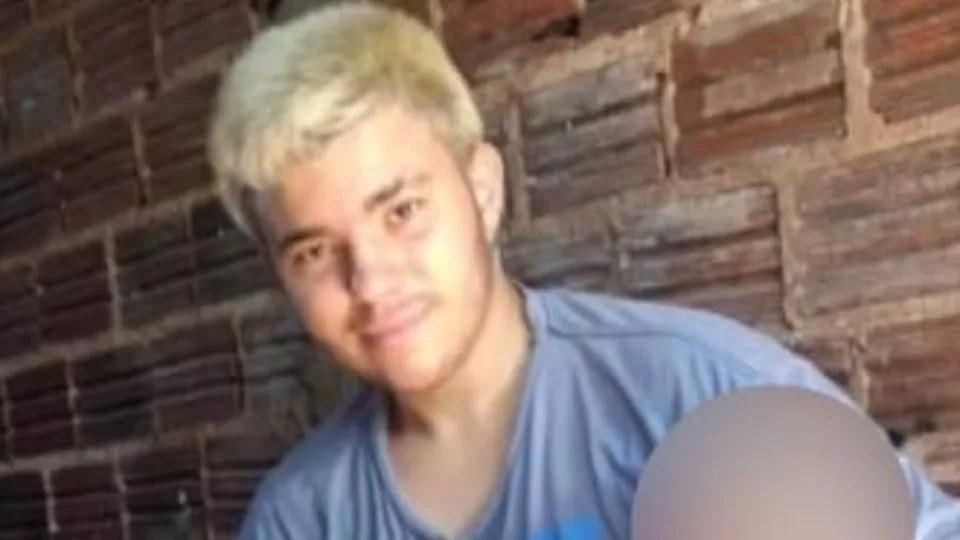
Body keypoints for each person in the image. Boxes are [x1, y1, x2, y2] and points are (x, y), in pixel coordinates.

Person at [207, 3, 960, 538]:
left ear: (482, 191)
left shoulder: (687, 397)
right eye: (314, 252)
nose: (370, 281)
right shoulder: (302, 517)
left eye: (402, 211)